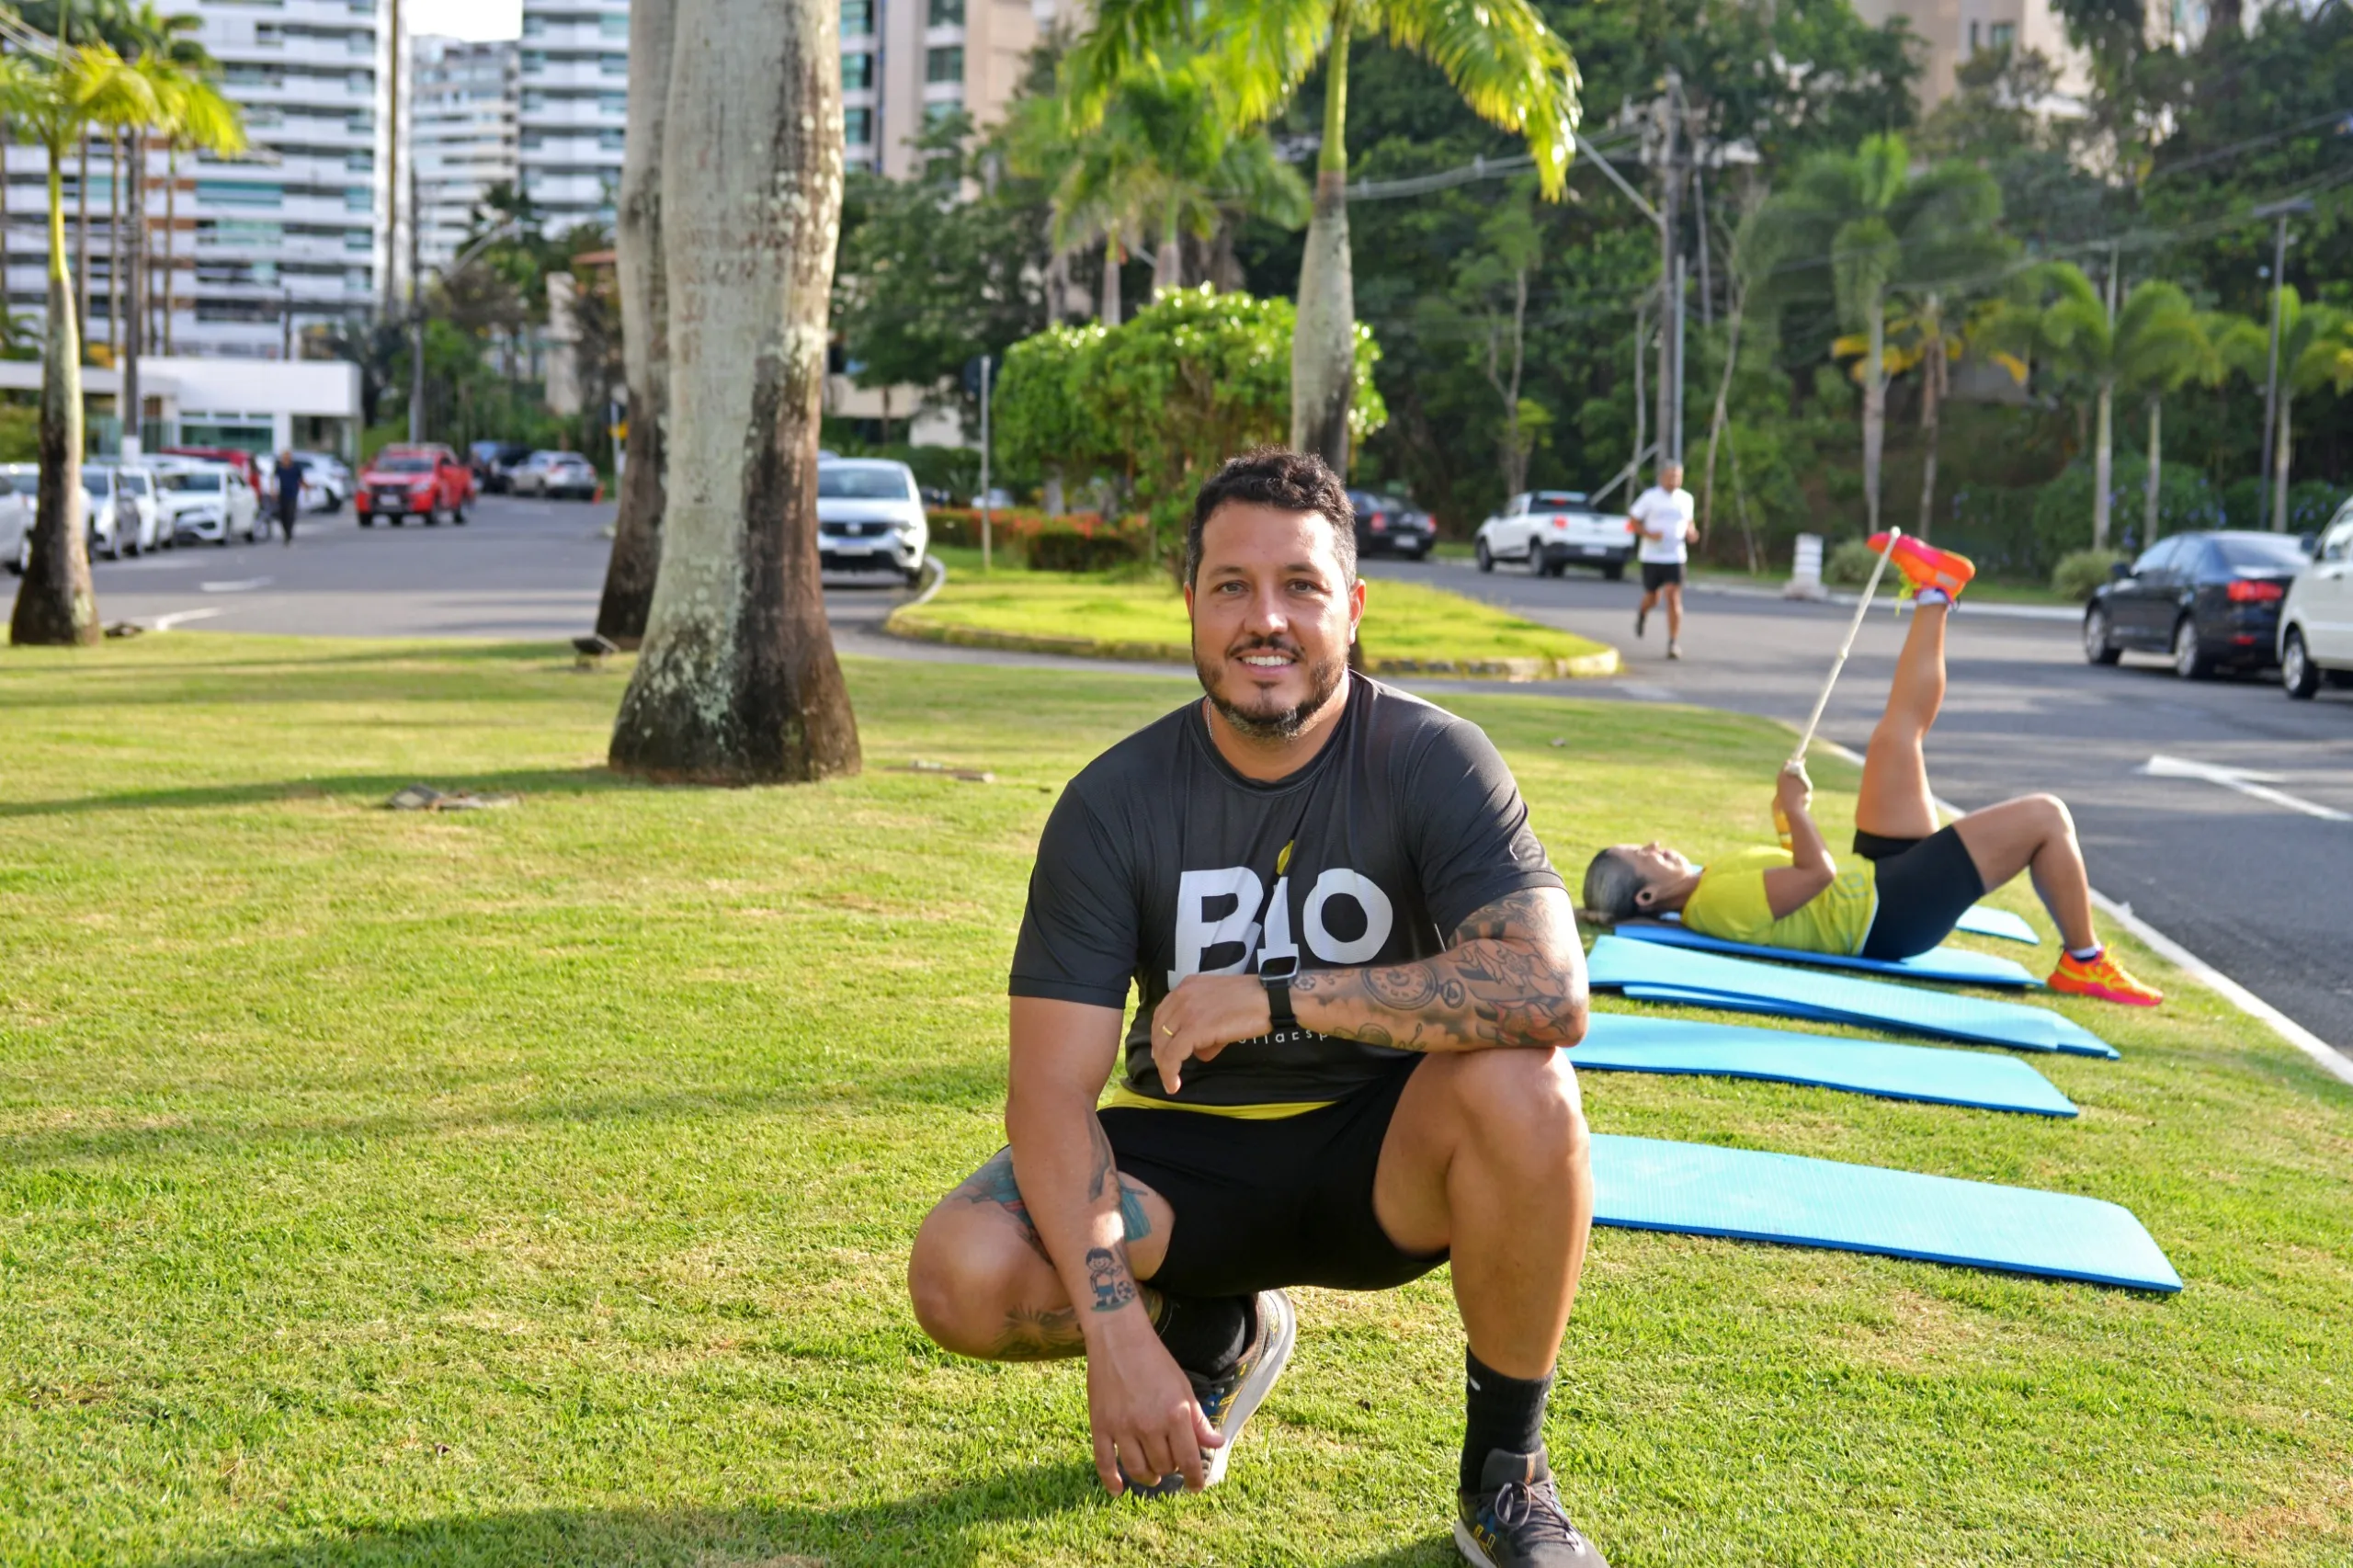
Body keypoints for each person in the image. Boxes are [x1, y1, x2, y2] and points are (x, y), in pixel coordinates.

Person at [906, 449, 1610, 1568]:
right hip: (1186, 1166)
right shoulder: (1113, 802)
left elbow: (1549, 989)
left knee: (1530, 1081)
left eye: (1299, 586)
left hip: (1384, 1157)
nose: (1264, 619)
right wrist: (1116, 1332)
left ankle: (1505, 1478)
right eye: (1231, 585)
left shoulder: (1432, 758)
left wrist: (1283, 996)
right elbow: (1047, 1091)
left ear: (1352, 606)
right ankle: (1212, 1324)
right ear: (1188, 598)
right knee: (960, 1270)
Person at [1581, 534, 2162, 1005]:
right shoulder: (1714, 905)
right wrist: (1798, 811)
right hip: (1889, 915)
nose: (1655, 843)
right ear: (1648, 895)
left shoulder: (1709, 884)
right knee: (2046, 816)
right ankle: (2084, 960)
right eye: (1644, 853)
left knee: (1893, 738)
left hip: (1876, 881)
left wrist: (1785, 820)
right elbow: (1817, 876)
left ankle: (1935, 592)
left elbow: (1797, 879)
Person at [1625, 461, 1695, 659]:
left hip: (1676, 556)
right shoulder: (1650, 497)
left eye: (1678, 476)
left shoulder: (1686, 498)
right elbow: (1632, 521)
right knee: (1653, 597)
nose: (1675, 480)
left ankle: (1673, 642)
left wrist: (1691, 532)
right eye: (1671, 476)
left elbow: (1689, 521)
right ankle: (1643, 613)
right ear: (1662, 477)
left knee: (1673, 596)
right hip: (1652, 556)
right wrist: (1649, 534)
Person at [270, 450, 303, 546]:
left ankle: (289, 534)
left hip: (292, 494)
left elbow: (301, 479)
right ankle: (286, 532)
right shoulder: (279, 468)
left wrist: (306, 488)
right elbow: (273, 479)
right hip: (282, 494)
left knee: (290, 514)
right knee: (283, 515)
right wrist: (273, 490)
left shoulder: (296, 468)